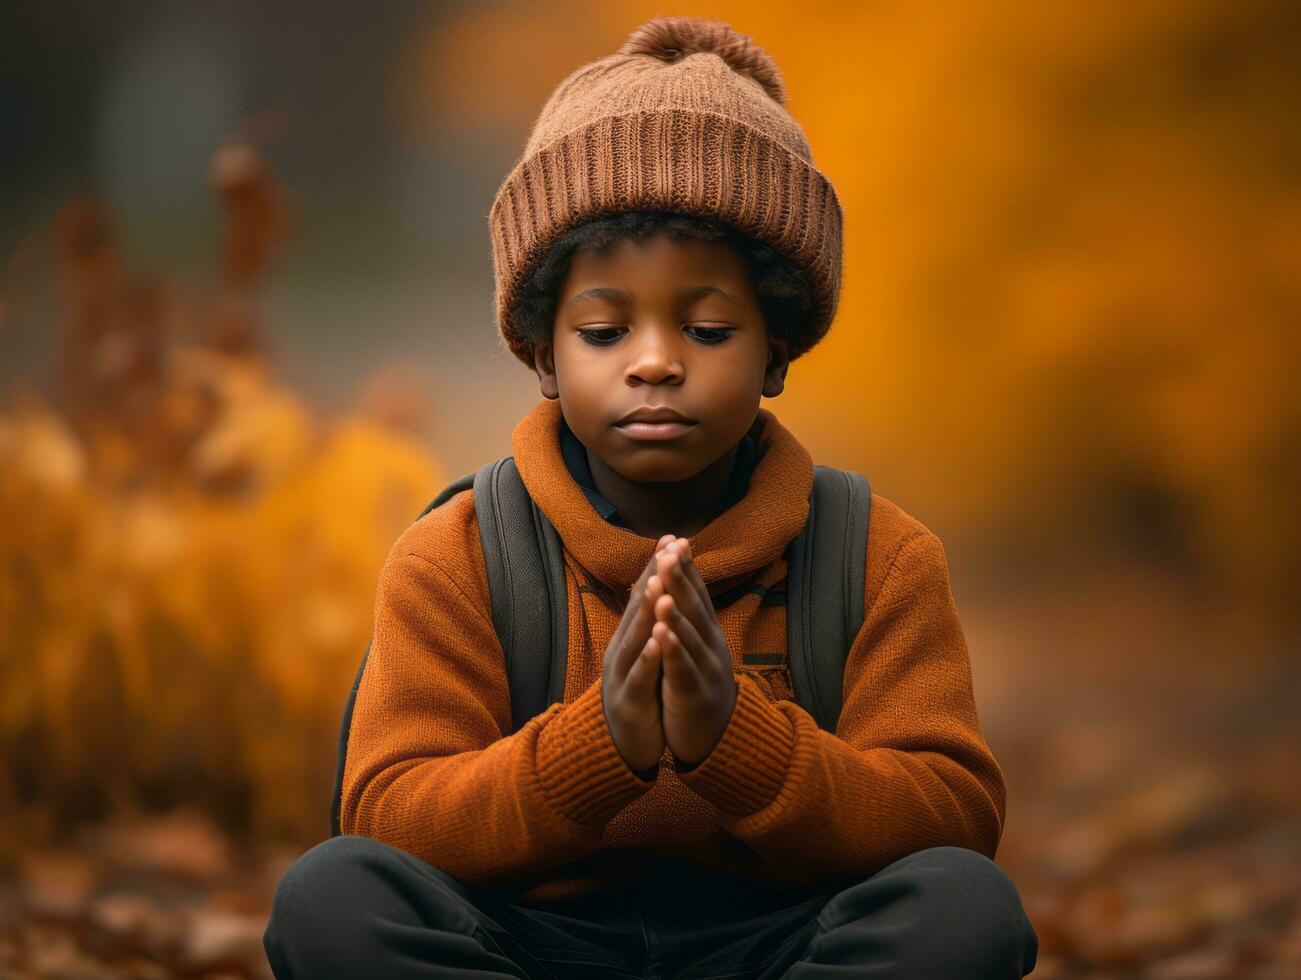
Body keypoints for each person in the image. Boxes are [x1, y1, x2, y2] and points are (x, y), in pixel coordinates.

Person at [264, 15, 1039, 979]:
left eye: (709, 328)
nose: (656, 362)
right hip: (531, 945)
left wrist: (739, 744)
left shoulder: (875, 556)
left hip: (779, 944)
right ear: (542, 351)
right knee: (333, 898)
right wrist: (597, 746)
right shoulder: (459, 552)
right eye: (602, 331)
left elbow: (951, 817)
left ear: (777, 351)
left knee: (964, 910)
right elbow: (387, 814)